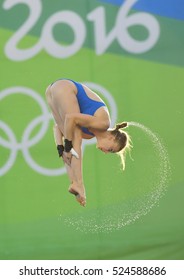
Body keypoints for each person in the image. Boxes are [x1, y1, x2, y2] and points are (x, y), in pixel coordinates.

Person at [45, 79, 131, 207]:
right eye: (111, 150)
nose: (106, 152)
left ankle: (75, 184)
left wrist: (60, 147)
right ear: (112, 138)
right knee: (75, 140)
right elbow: (71, 118)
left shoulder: (88, 135)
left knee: (69, 149)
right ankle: (80, 185)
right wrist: (68, 144)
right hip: (65, 87)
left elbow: (57, 127)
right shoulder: (103, 123)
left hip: (50, 91)